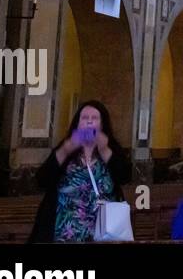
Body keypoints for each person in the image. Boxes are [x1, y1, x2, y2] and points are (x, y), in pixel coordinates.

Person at [30, 101, 131, 243]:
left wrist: (104, 150)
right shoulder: (66, 148)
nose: (89, 121)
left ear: (102, 124)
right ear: (77, 123)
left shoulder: (111, 149)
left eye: (94, 118)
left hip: (102, 232)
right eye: (84, 118)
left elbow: (125, 177)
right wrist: (64, 151)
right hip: (64, 231)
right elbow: (42, 180)